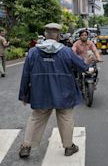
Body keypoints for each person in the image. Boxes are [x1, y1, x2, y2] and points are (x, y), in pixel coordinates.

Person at [18, 23, 92, 158]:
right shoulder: (66, 51)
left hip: (41, 93)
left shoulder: (33, 52)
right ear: (58, 36)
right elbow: (82, 66)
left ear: (45, 35)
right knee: (66, 118)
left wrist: (23, 94)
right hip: (64, 93)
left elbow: (25, 75)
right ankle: (69, 147)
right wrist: (86, 62)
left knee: (36, 118)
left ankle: (26, 147)